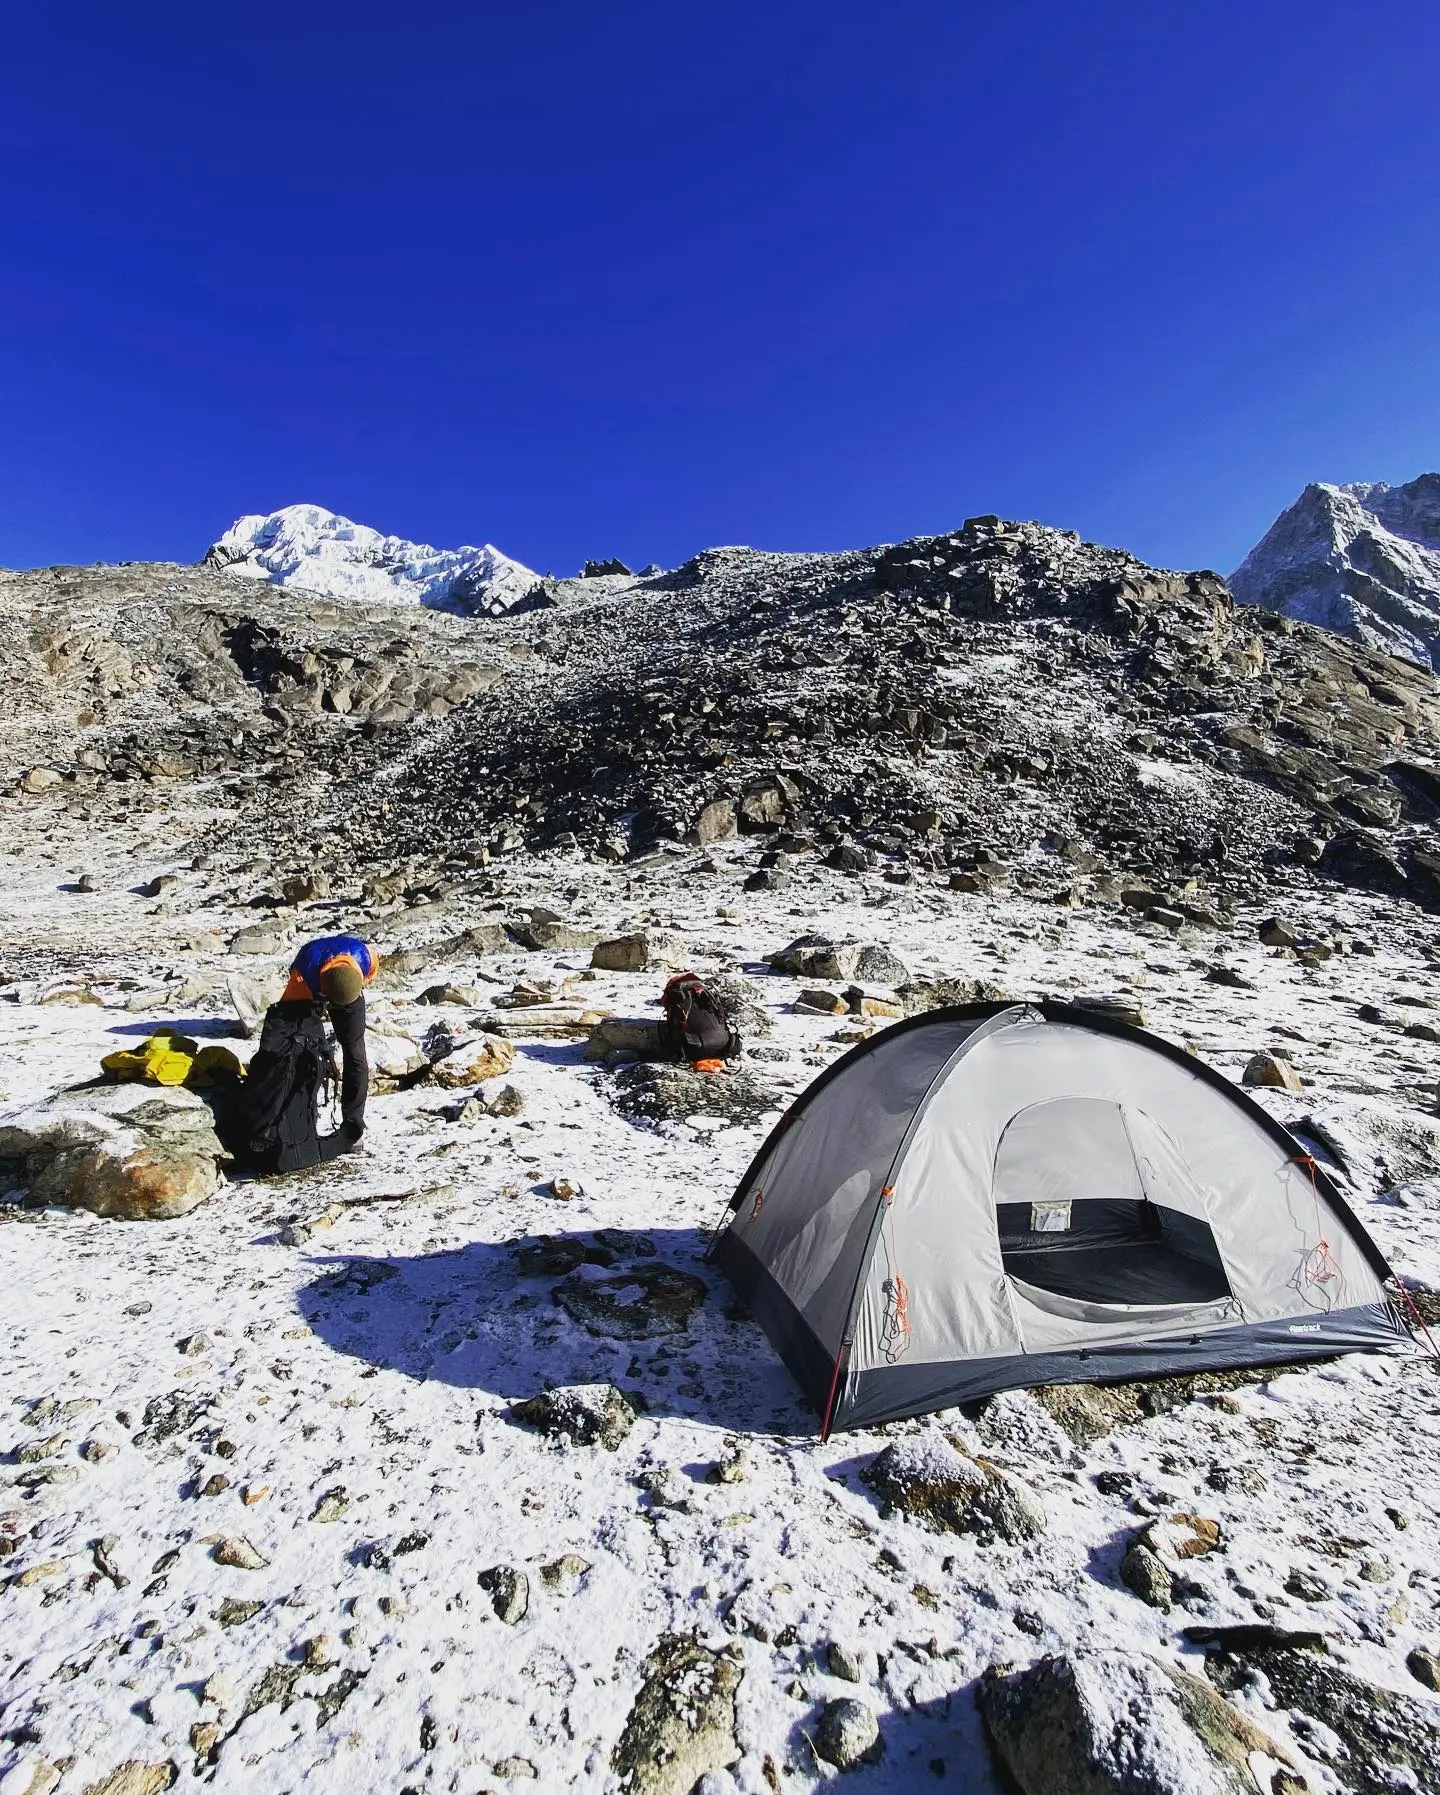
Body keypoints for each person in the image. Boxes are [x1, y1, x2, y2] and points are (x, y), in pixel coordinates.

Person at [283, 935, 378, 1156]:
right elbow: (287, 1015)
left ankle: (354, 1126)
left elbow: (368, 975)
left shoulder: (366, 958)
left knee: (355, 1054)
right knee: (306, 1054)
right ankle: (304, 1123)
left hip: (348, 987)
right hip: (309, 990)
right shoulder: (301, 974)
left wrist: (351, 991)